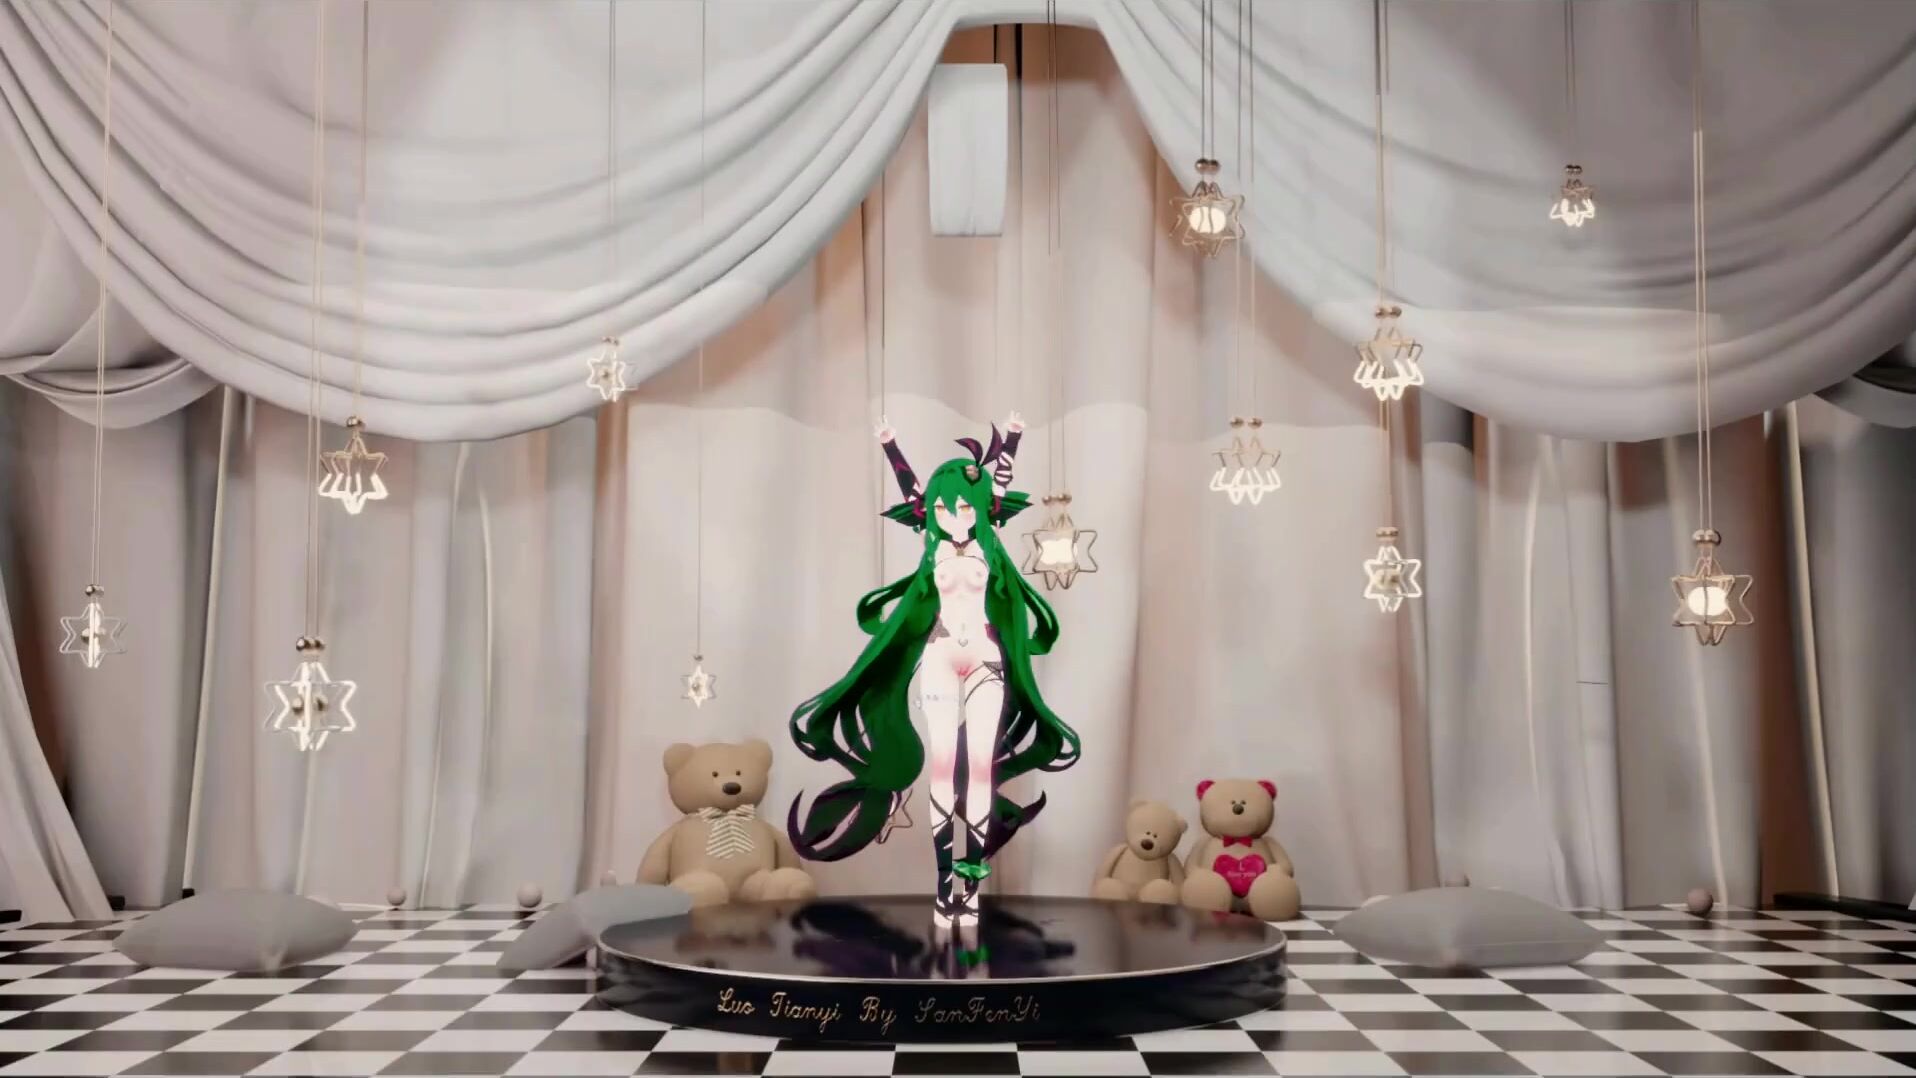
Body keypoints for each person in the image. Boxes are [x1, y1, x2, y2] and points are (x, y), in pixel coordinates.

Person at [788, 414, 1081, 925]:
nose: (953, 516)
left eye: (963, 507)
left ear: (980, 507)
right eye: (944, 508)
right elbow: (912, 489)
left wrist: (1013, 437)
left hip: (986, 660)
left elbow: (999, 479)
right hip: (942, 659)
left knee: (981, 770)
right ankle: (946, 883)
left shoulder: (990, 542)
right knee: (944, 769)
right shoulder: (933, 545)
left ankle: (971, 882)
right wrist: (889, 444)